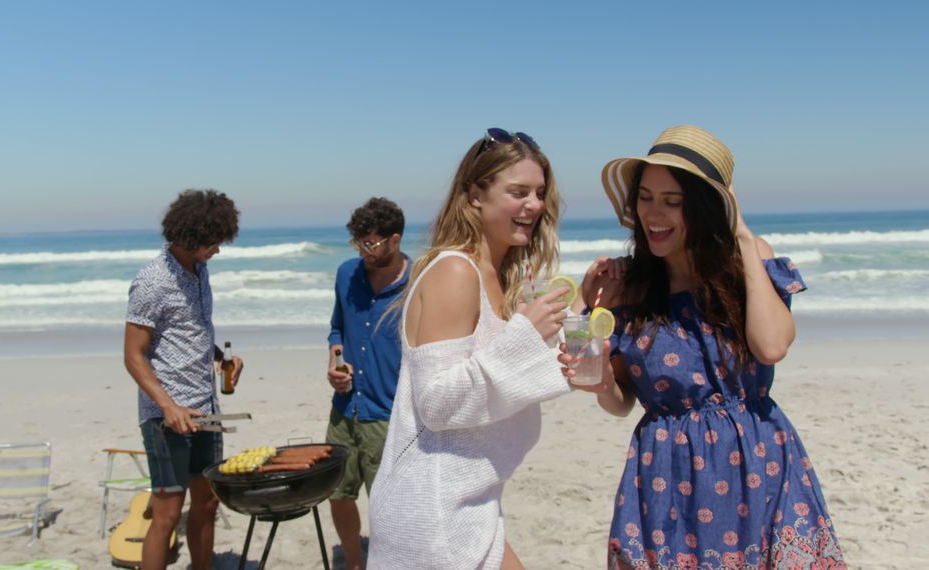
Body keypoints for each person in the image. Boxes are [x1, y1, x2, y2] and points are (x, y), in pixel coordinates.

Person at [577, 125, 846, 568]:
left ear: (704, 207)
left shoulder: (748, 261)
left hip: (758, 463)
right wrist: (603, 380)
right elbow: (621, 401)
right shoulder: (630, 284)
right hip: (666, 474)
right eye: (645, 196)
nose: (653, 214)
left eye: (672, 201)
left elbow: (772, 346)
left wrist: (740, 234)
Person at [368, 128, 578, 570]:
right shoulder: (456, 271)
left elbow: (505, 370)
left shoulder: (498, 277)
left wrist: (584, 306)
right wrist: (523, 332)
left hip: (470, 503)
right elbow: (437, 404)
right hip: (432, 511)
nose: (535, 205)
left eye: (540, 193)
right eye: (518, 191)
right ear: (475, 195)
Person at [123, 189, 245, 570]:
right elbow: (133, 355)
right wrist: (168, 406)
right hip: (166, 418)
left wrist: (222, 358)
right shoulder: (152, 281)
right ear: (190, 238)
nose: (217, 251)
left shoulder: (199, 270)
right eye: (213, 243)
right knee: (167, 514)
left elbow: (190, 331)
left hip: (206, 408)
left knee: (207, 503)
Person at [325, 197, 410, 570]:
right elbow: (336, 329)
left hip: (389, 414)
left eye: (371, 243)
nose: (363, 251)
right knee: (338, 493)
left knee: (387, 505)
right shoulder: (347, 274)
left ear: (394, 239)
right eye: (358, 242)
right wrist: (334, 358)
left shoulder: (419, 282)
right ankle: (355, 563)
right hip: (344, 409)